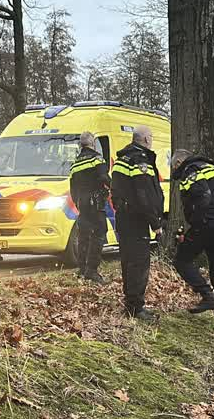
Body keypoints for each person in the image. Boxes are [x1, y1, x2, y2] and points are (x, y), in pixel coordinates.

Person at [171, 149, 214, 333]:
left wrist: (196, 225)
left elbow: (202, 196)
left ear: (179, 163)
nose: (174, 170)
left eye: (173, 166)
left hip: (207, 224)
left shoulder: (190, 170)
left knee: (181, 260)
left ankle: (207, 295)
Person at [111, 125, 164, 321]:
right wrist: (155, 222)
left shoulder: (121, 159)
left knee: (128, 262)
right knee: (139, 264)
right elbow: (145, 195)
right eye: (151, 136)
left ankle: (131, 303)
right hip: (137, 220)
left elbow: (116, 191)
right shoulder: (140, 161)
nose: (152, 140)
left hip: (124, 219)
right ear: (145, 140)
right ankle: (136, 307)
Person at [69, 131, 110, 284]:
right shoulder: (97, 158)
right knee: (99, 234)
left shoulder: (75, 163)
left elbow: (72, 188)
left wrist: (78, 203)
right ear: (93, 143)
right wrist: (115, 189)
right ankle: (92, 270)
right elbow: (104, 177)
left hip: (82, 204)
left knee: (83, 236)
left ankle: (81, 269)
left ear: (81, 145)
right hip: (96, 202)